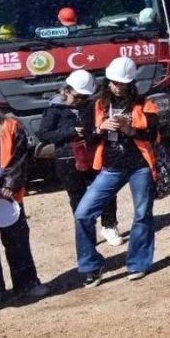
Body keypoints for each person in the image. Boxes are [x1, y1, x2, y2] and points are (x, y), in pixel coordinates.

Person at [75, 57, 160, 287]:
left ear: (131, 83)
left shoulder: (145, 103)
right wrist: (101, 128)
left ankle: (138, 263)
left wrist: (131, 129)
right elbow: (89, 138)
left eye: (123, 83)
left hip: (139, 166)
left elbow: (153, 134)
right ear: (108, 81)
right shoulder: (97, 105)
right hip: (110, 167)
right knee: (83, 213)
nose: (118, 87)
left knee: (142, 215)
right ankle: (91, 266)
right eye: (114, 83)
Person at [38, 70, 123, 247]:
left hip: (93, 154)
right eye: (77, 97)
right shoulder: (54, 109)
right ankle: (86, 232)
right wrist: (69, 132)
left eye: (84, 97)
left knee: (106, 190)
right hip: (67, 159)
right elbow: (44, 134)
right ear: (66, 91)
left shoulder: (91, 106)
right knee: (77, 196)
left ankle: (109, 225)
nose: (80, 101)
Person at [0, 91, 48, 305]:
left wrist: (11, 183)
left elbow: (20, 157)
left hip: (9, 193)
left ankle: (27, 283)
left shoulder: (10, 126)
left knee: (17, 240)